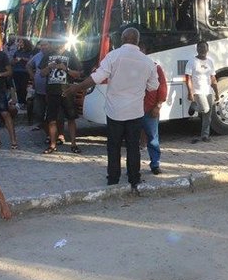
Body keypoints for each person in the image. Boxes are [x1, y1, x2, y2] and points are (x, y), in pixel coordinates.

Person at [64, 28, 159, 190]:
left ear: (122, 39)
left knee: (113, 146)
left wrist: (76, 88)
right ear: (137, 40)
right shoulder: (148, 62)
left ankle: (113, 179)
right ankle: (134, 179)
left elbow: (96, 78)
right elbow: (153, 86)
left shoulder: (113, 56)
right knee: (133, 146)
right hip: (135, 112)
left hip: (115, 112)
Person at [39, 37, 82, 154]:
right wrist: (49, 67)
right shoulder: (47, 56)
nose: (58, 45)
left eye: (60, 43)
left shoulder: (71, 55)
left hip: (67, 91)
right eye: (56, 43)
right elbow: (41, 74)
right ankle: (52, 144)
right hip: (52, 91)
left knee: (71, 118)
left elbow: (78, 74)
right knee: (51, 119)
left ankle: (73, 144)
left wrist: (66, 69)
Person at [141, 43, 168, 175]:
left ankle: (155, 164)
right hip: (132, 110)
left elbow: (162, 87)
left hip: (150, 109)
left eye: (141, 49)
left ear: (145, 51)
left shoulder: (155, 67)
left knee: (153, 138)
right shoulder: (129, 68)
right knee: (132, 140)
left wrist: (158, 106)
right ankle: (133, 167)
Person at [185, 41, 219, 143]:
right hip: (198, 91)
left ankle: (205, 135)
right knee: (205, 109)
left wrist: (217, 92)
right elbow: (188, 78)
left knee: (208, 116)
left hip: (208, 91)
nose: (202, 50)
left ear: (207, 50)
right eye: (200, 48)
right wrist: (190, 92)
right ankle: (194, 106)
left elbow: (213, 78)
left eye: (204, 48)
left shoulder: (210, 62)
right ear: (197, 49)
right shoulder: (192, 61)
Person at [11, 38, 33, 108]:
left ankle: (23, 101)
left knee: (23, 87)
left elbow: (31, 61)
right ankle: (20, 102)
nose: (19, 44)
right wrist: (15, 61)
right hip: (16, 71)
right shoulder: (17, 52)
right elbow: (12, 61)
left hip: (25, 71)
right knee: (17, 87)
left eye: (21, 42)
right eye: (19, 42)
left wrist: (23, 59)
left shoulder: (30, 52)